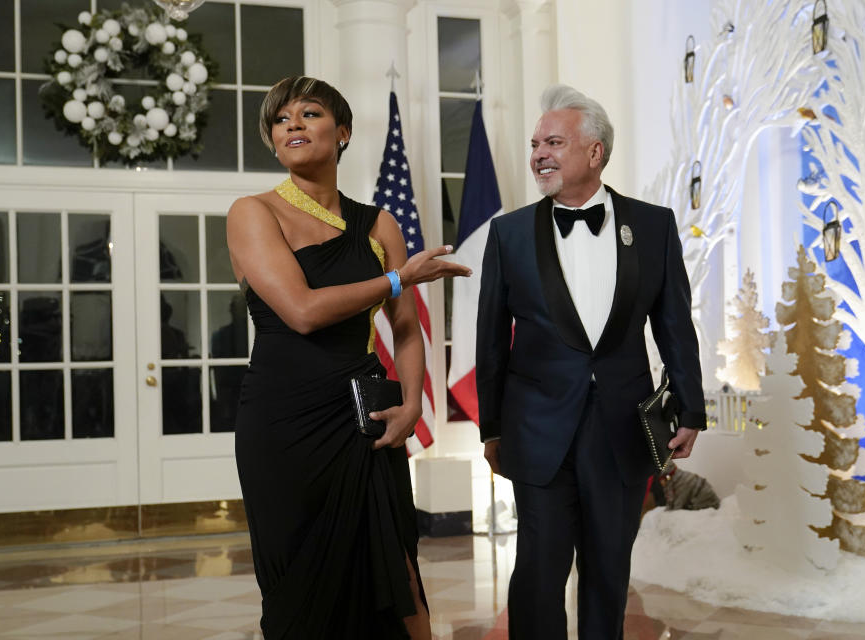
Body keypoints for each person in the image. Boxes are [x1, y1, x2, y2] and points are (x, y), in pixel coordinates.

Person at [227, 76, 470, 639]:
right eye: (281, 119)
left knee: (398, 574)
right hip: (282, 427)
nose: (293, 124)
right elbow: (302, 311)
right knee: (300, 589)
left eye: (309, 113)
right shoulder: (253, 212)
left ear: (343, 133)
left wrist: (412, 404)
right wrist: (396, 278)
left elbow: (407, 331)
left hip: (365, 422)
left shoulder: (379, 224)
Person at [476, 84, 706, 640]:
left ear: (595, 152)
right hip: (536, 432)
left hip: (621, 431)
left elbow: (673, 324)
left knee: (609, 571)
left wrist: (690, 409)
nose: (539, 155)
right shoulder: (508, 234)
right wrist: (492, 427)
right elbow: (489, 339)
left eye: (553, 141)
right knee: (537, 572)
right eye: (535, 144)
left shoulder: (653, 226)